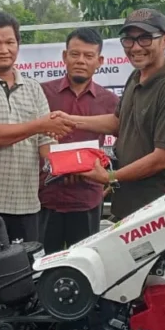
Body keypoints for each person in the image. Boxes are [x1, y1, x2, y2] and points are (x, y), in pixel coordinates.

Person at [74, 8, 165, 271]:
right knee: (130, 286)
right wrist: (71, 120)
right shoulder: (136, 76)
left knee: (158, 286)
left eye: (145, 38)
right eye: (128, 39)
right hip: (130, 208)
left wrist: (110, 178)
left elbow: (162, 158)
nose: (135, 47)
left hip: (156, 214)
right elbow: (119, 123)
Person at [0, 11, 75, 243]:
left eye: (10, 42)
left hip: (25, 204)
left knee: (25, 275)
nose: (3, 49)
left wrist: (70, 166)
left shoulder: (32, 88)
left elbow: (46, 142)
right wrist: (40, 124)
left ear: (18, 45)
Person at [39, 27, 119, 253]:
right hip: (46, 196)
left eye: (88, 55)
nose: (81, 61)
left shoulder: (110, 101)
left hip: (88, 197)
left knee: (85, 265)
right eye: (75, 54)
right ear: (65, 57)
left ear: (99, 60)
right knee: (42, 266)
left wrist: (109, 177)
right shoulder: (42, 93)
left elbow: (122, 141)